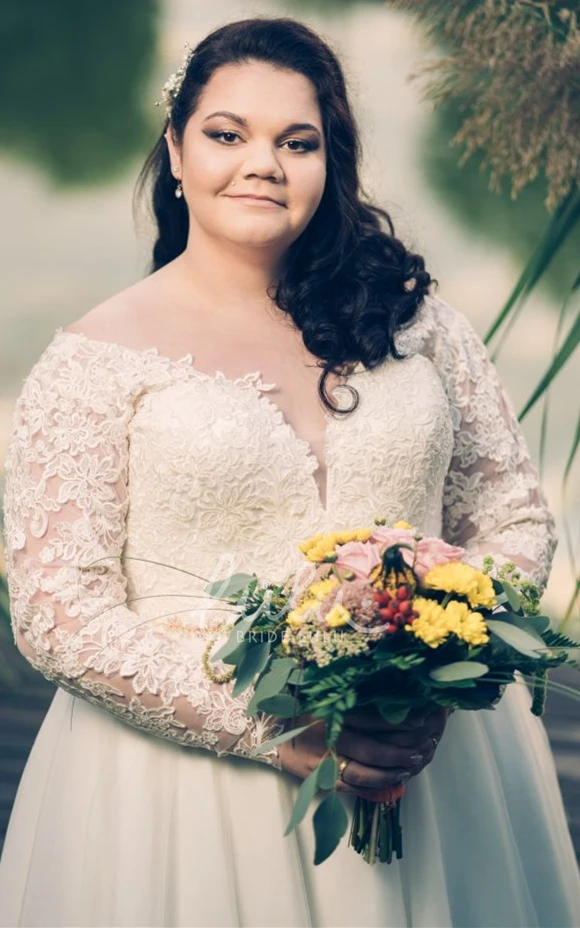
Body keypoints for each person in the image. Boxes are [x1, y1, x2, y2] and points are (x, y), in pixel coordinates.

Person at [0, 15, 578, 928]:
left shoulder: (415, 322)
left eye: (296, 142)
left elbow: (510, 512)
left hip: (432, 752)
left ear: (329, 163)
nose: (262, 163)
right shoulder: (93, 361)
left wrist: (439, 650)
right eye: (227, 135)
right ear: (177, 152)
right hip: (186, 789)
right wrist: (277, 729)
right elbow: (55, 611)